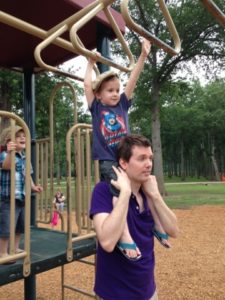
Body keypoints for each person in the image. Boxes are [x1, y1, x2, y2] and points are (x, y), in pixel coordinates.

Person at [84, 38, 170, 258]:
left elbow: (133, 80)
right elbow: (87, 86)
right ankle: (124, 237)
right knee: (118, 194)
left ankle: (157, 225)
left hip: (127, 158)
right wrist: (89, 63)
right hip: (109, 161)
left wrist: (142, 55)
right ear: (99, 94)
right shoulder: (96, 110)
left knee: (146, 189)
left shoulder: (122, 105)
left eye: (116, 90)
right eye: (109, 90)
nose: (115, 93)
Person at [89, 134, 179, 300]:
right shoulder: (103, 191)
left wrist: (156, 195)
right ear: (123, 163)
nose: (149, 164)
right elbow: (107, 242)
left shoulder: (148, 192)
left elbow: (173, 230)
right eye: (142, 158)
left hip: (149, 292)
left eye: (150, 158)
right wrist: (124, 194)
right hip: (114, 294)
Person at [0, 125, 43, 263]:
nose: (22, 138)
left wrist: (33, 187)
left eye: (24, 136)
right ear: (8, 141)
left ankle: (15, 247)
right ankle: (3, 253)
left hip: (22, 197)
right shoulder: (4, 155)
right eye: (18, 136)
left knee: (20, 226)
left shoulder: (25, 157)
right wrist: (10, 152)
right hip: (8, 198)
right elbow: (6, 166)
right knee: (7, 227)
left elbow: (27, 176)